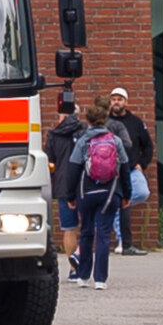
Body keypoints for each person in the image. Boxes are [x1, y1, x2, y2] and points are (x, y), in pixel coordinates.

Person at [66, 103, 132, 290]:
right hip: (110, 193)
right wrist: (127, 194)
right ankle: (101, 279)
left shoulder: (83, 141)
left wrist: (71, 196)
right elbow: (125, 170)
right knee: (103, 234)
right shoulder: (115, 141)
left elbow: (73, 170)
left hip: (86, 193)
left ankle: (83, 276)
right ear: (105, 120)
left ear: (88, 120)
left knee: (86, 232)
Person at [107, 86, 153, 255]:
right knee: (121, 203)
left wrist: (142, 164)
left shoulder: (136, 122)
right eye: (113, 99)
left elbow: (148, 146)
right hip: (111, 172)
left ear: (126, 102)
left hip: (132, 169)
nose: (116, 102)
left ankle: (116, 208)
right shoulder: (106, 122)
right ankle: (121, 240)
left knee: (142, 192)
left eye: (120, 99)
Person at [45, 101, 83, 280]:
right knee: (91, 225)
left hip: (62, 186)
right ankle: (80, 254)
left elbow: (49, 163)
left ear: (62, 115)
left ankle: (73, 269)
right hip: (84, 185)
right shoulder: (85, 132)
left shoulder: (53, 135)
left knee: (69, 228)